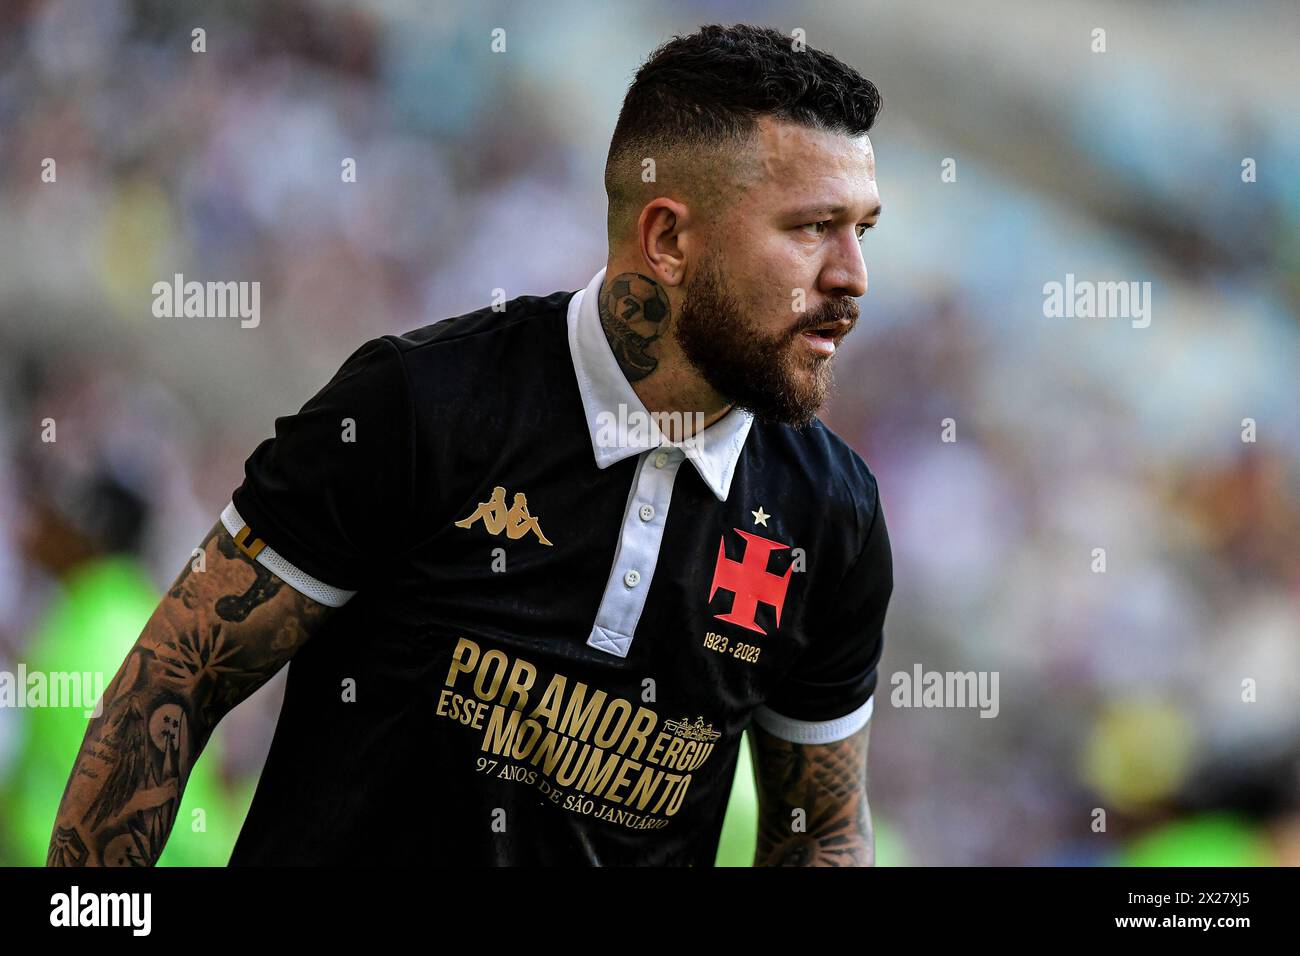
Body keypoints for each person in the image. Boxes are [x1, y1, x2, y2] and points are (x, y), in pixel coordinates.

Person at [48, 22, 893, 866]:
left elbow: (819, 832)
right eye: (813, 228)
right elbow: (175, 679)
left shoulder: (830, 516)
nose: (852, 274)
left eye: (864, 229)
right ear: (668, 239)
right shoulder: (419, 407)